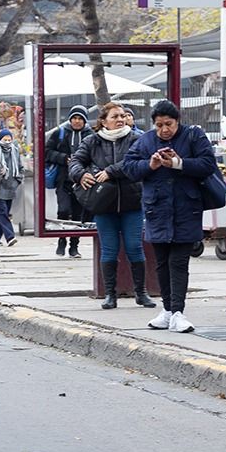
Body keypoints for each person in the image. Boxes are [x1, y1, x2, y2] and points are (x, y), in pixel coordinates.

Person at [123, 100, 216, 334]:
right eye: (159, 125)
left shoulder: (194, 136)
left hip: (186, 208)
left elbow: (208, 164)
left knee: (179, 262)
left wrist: (179, 163)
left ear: (178, 121)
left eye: (169, 124)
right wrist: (150, 164)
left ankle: (178, 311)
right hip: (157, 210)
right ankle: (167, 310)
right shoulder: (145, 141)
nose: (164, 129)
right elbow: (129, 168)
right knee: (162, 263)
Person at [69, 102, 154, 309]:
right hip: (103, 204)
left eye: (123, 116)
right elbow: (74, 162)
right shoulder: (92, 141)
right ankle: (110, 294)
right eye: (115, 116)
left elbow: (138, 162)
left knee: (135, 247)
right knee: (109, 249)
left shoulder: (137, 139)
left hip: (132, 202)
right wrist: (81, 174)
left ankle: (141, 293)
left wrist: (110, 171)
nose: (120, 120)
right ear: (103, 121)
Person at [46, 105, 92, 258]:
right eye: (75, 118)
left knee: (78, 215)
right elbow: (47, 152)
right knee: (63, 210)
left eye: (80, 119)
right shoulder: (60, 133)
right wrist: (63, 158)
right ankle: (61, 240)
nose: (77, 122)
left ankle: (74, 246)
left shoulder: (91, 135)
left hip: (82, 181)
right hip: (63, 179)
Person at [0, 128, 23, 246]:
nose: (7, 142)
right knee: (2, 212)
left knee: (0, 215)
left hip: (11, 187)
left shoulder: (14, 150)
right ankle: (10, 237)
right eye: (4, 139)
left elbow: (20, 166)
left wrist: (18, 179)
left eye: (9, 139)